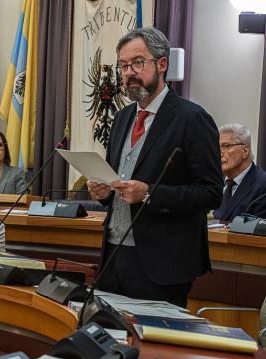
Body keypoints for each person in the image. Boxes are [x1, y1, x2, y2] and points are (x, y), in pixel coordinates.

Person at [87, 27, 223, 307]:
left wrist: (150, 194)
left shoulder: (192, 118)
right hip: (113, 253)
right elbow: (119, 179)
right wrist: (103, 191)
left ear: (162, 64)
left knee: (154, 349)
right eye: (123, 66)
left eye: (138, 62)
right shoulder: (123, 117)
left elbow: (211, 192)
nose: (129, 72)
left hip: (163, 263)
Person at [212, 123, 266, 222]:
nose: (219, 153)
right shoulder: (214, 181)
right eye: (217, 147)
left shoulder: (262, 186)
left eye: (226, 146)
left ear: (245, 151)